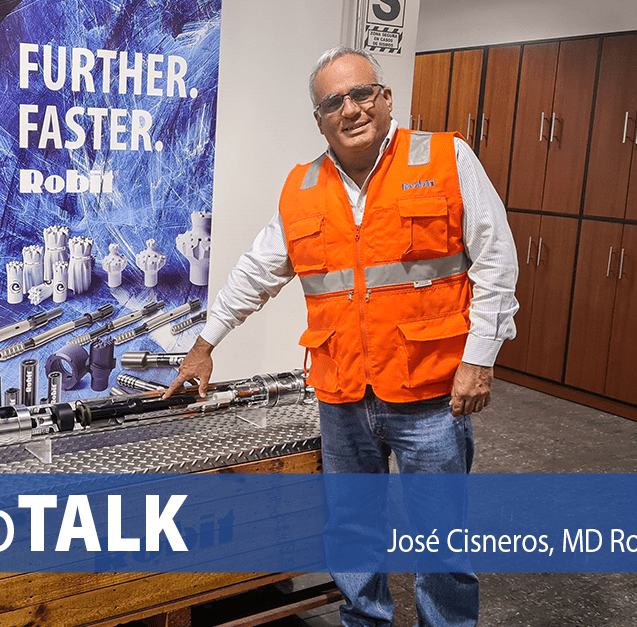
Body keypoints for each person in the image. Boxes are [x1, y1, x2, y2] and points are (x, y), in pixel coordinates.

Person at [163, 46, 519, 627]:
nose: (350, 110)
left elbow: (497, 262)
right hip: (343, 394)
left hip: (431, 393)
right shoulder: (302, 187)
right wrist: (205, 343)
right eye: (333, 102)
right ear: (319, 118)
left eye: (361, 95)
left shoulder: (446, 158)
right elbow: (257, 272)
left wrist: (479, 358)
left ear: (385, 99)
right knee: (353, 534)